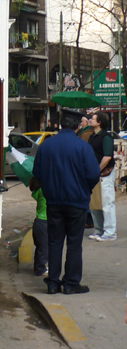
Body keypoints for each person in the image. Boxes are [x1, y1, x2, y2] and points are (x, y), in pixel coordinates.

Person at [33, 109, 101, 294]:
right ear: (78, 125)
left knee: (54, 242)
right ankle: (71, 283)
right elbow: (94, 174)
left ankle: (53, 283)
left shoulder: (46, 146)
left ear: (61, 124)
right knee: (74, 243)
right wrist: (85, 189)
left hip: (53, 201)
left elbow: (37, 174)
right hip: (77, 202)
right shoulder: (83, 147)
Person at [88, 111, 117, 242]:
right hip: (95, 175)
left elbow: (107, 156)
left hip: (106, 174)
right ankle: (99, 230)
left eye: (92, 118)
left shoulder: (106, 137)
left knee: (107, 203)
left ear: (99, 122)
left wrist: (96, 169)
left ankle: (110, 232)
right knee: (95, 204)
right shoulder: (92, 137)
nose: (89, 120)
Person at [29, 176, 48, 277]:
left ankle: (39, 266)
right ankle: (40, 268)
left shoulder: (38, 192)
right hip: (45, 221)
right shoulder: (44, 191)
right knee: (44, 247)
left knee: (41, 247)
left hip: (39, 222)